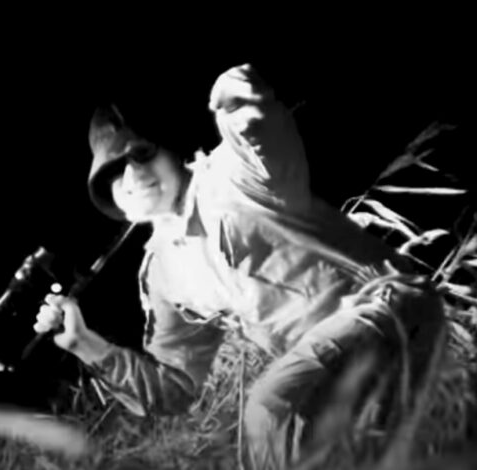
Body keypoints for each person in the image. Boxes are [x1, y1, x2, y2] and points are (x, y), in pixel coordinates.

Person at [33, 63, 446, 469]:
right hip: (339, 375)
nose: (133, 174)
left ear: (172, 148)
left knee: (270, 410)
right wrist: (85, 343)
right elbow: (175, 387)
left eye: (143, 153)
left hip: (390, 311)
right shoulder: (164, 273)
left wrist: (238, 97)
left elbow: (267, 139)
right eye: (115, 170)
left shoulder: (233, 176)